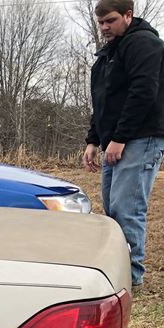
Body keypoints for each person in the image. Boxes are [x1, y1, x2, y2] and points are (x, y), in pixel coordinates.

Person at [84, 0, 164, 288]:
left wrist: (120, 138)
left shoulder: (144, 44)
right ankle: (119, 272)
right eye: (101, 22)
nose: (104, 27)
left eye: (111, 21)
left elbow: (144, 92)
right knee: (112, 208)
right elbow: (102, 101)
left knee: (127, 208)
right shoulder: (109, 54)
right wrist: (94, 140)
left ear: (128, 15)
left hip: (140, 137)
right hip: (114, 140)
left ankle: (131, 279)